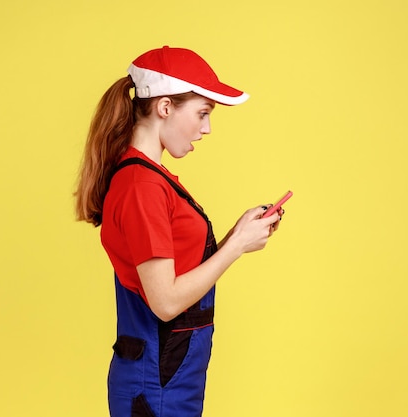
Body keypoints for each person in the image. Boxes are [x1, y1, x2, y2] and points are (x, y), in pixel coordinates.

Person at [75, 46, 284, 417]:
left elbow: (174, 276)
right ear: (165, 107)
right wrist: (235, 247)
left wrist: (239, 233)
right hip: (156, 382)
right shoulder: (142, 186)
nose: (207, 128)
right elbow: (166, 301)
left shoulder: (150, 179)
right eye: (202, 113)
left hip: (169, 376)